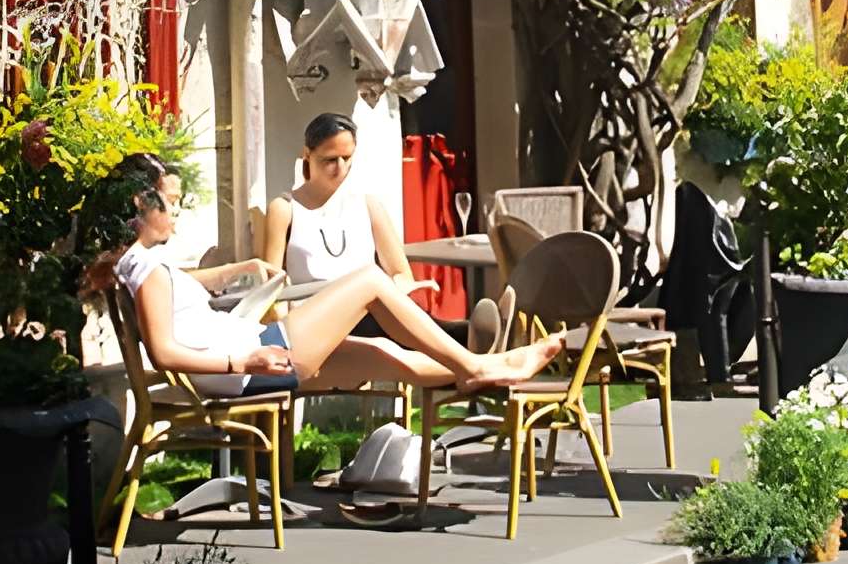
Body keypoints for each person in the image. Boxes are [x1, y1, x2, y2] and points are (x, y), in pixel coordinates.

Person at [106, 153, 559, 395]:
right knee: (369, 280)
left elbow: (177, 287)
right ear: (140, 204)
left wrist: (239, 269)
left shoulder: (140, 264)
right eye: (173, 201)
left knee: (385, 354)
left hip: (254, 358)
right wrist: (242, 361)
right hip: (255, 360)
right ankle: (477, 362)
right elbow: (164, 353)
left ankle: (492, 369)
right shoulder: (148, 270)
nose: (179, 211)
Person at [258, 112, 432, 293]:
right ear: (307, 154)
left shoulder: (367, 205)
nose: (340, 168)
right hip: (311, 313)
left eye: (347, 158)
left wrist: (400, 285)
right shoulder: (285, 209)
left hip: (365, 312)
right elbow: (271, 288)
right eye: (330, 160)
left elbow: (400, 272)